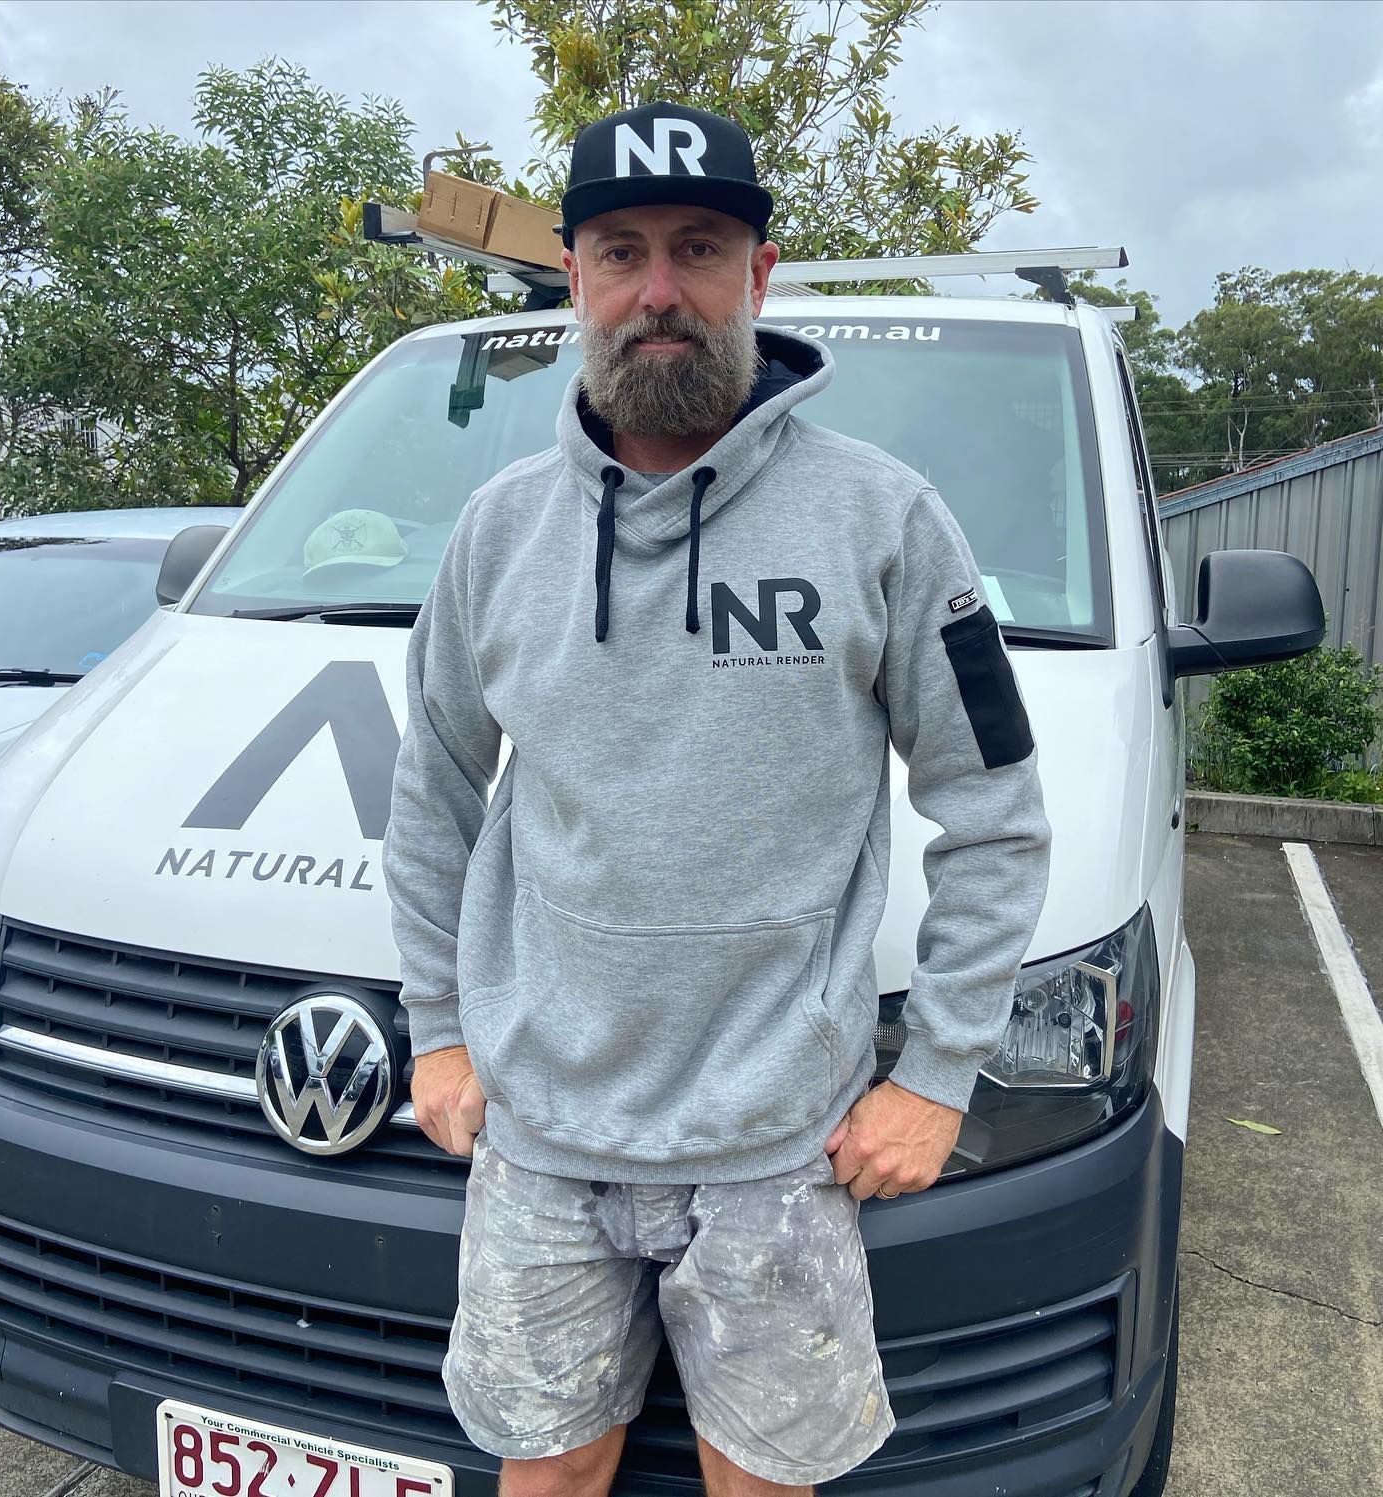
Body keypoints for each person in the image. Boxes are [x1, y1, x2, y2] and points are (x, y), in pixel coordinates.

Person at [382, 101, 1051, 1495]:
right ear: (573, 279)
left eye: (700, 247)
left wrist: (937, 1074)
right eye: (620, 251)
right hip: (542, 1138)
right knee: (548, 1476)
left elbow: (994, 810)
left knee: (763, 1483)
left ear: (762, 273)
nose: (660, 290)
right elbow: (434, 793)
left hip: (778, 1147)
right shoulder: (497, 533)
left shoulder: (889, 522)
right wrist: (437, 1033)